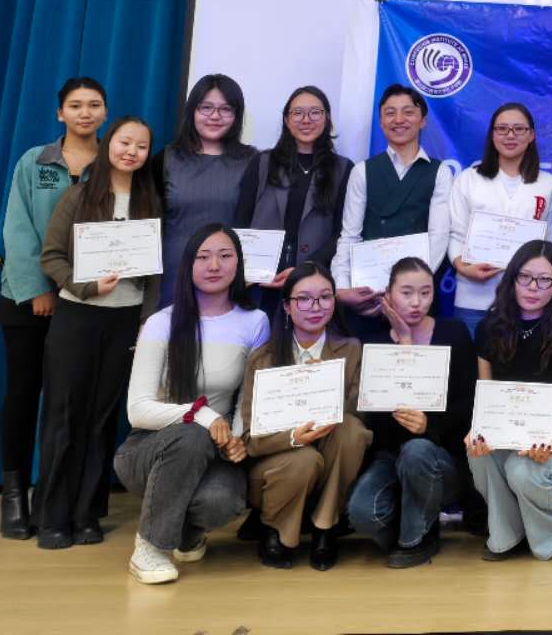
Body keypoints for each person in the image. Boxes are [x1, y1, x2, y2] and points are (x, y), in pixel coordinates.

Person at [115, 223, 268, 585]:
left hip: (215, 449)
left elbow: (248, 397)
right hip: (149, 450)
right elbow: (137, 410)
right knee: (192, 434)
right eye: (203, 257)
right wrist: (204, 415)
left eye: (225, 256)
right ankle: (149, 548)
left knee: (223, 501)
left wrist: (237, 438)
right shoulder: (160, 323)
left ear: (238, 264)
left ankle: (188, 531)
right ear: (188, 265)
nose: (214, 265)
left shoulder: (254, 322)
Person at [34, 115, 161, 549]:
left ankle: (87, 513)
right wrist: (87, 287)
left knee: (103, 419)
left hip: (125, 320)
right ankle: (53, 516)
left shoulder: (150, 203)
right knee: (65, 415)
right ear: (109, 145)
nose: (132, 152)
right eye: (125, 142)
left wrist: (146, 323)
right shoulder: (79, 196)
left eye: (141, 146)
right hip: (77, 316)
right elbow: (51, 257)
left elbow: (154, 276)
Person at [0, 75, 105, 539]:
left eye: (94, 104)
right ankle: (13, 495)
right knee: (24, 394)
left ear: (105, 112)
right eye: (75, 105)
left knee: (71, 403)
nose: (85, 112)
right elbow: (18, 229)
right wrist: (39, 289)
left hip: (89, 300)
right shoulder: (34, 161)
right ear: (60, 113)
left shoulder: (114, 161)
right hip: (31, 299)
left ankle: (55, 497)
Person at [468, 240, 552, 560]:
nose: (533, 287)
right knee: (478, 453)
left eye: (544, 280)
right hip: (509, 433)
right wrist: (479, 432)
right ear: (512, 277)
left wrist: (548, 440)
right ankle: (507, 535)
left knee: (520, 468)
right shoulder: (489, 328)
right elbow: (486, 396)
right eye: (525, 277)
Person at [345, 256, 478, 568]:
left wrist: (429, 425)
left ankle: (416, 539)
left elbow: (469, 404)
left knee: (417, 450)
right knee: (362, 514)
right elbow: (374, 417)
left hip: (440, 458)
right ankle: (416, 518)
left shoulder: (454, 332)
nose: (417, 302)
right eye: (406, 293)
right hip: (390, 456)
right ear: (388, 295)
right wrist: (404, 343)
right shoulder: (374, 343)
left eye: (425, 292)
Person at [239, 264, 371, 571]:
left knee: (352, 429)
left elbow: (361, 415)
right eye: (304, 299)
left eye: (325, 297)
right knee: (304, 459)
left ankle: (326, 525)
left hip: (333, 454)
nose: (315, 307)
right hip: (279, 464)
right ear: (287, 306)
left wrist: (323, 392)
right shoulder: (264, 358)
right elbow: (251, 440)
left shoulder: (351, 350)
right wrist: (293, 437)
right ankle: (276, 529)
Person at [334, 85, 454, 334]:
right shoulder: (362, 171)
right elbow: (349, 236)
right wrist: (343, 287)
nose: (399, 119)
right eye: (390, 113)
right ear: (381, 122)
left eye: (408, 112)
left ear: (423, 120)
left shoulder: (440, 172)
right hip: (369, 298)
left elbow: (439, 237)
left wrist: (409, 290)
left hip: (416, 301)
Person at [234, 86, 352, 321]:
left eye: (315, 112)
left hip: (313, 282)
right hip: (260, 283)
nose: (306, 120)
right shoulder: (262, 163)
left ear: (327, 119)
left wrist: (307, 267)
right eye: (297, 113)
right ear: (286, 120)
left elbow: (342, 233)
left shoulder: (343, 169)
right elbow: (241, 222)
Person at [448, 103, 552, 336]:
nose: (510, 135)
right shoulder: (467, 180)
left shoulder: (548, 184)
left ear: (531, 135)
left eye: (519, 129)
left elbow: (551, 242)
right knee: (472, 359)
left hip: (529, 302)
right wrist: (464, 268)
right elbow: (456, 234)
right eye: (502, 129)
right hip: (474, 298)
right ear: (492, 134)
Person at [157, 74, 257, 308]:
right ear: (192, 111)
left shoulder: (254, 161)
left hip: (229, 279)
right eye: (206, 107)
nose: (215, 116)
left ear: (237, 115)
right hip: (173, 275)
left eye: (225, 109)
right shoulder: (166, 159)